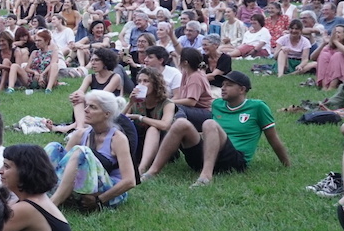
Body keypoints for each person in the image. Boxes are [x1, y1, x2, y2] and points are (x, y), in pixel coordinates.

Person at [140, 71, 290, 186]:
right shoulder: (217, 104)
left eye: (229, 85)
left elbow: (273, 138)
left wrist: (286, 164)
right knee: (180, 124)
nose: (223, 88)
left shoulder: (257, 107)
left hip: (235, 161)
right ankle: (152, 172)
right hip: (207, 155)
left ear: (242, 89)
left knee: (209, 124)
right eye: (222, 85)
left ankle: (205, 177)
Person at [46, 90, 136, 210]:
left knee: (82, 151)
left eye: (92, 107)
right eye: (86, 105)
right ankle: (38, 192)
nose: (85, 110)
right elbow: (63, 166)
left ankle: (51, 204)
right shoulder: (80, 134)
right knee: (54, 147)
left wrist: (99, 200)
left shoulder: (117, 139)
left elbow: (130, 181)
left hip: (108, 191)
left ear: (107, 114)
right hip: (83, 187)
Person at [126, 67, 177, 173]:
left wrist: (140, 118)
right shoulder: (136, 102)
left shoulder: (167, 103)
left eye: (146, 81)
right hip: (140, 142)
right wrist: (130, 103)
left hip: (162, 145)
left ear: (155, 84)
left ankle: (141, 168)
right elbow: (118, 122)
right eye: (139, 81)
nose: (142, 84)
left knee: (153, 129)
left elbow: (165, 125)